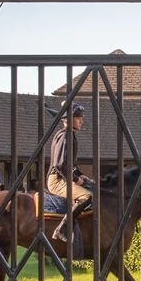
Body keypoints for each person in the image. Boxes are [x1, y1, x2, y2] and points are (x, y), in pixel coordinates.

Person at [47, 102, 93, 242]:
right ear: (69, 119)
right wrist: (75, 179)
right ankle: (63, 229)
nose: (81, 121)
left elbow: (71, 164)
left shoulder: (70, 136)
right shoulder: (64, 137)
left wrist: (80, 174)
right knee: (87, 196)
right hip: (57, 181)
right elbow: (60, 165)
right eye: (78, 118)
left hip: (64, 177)